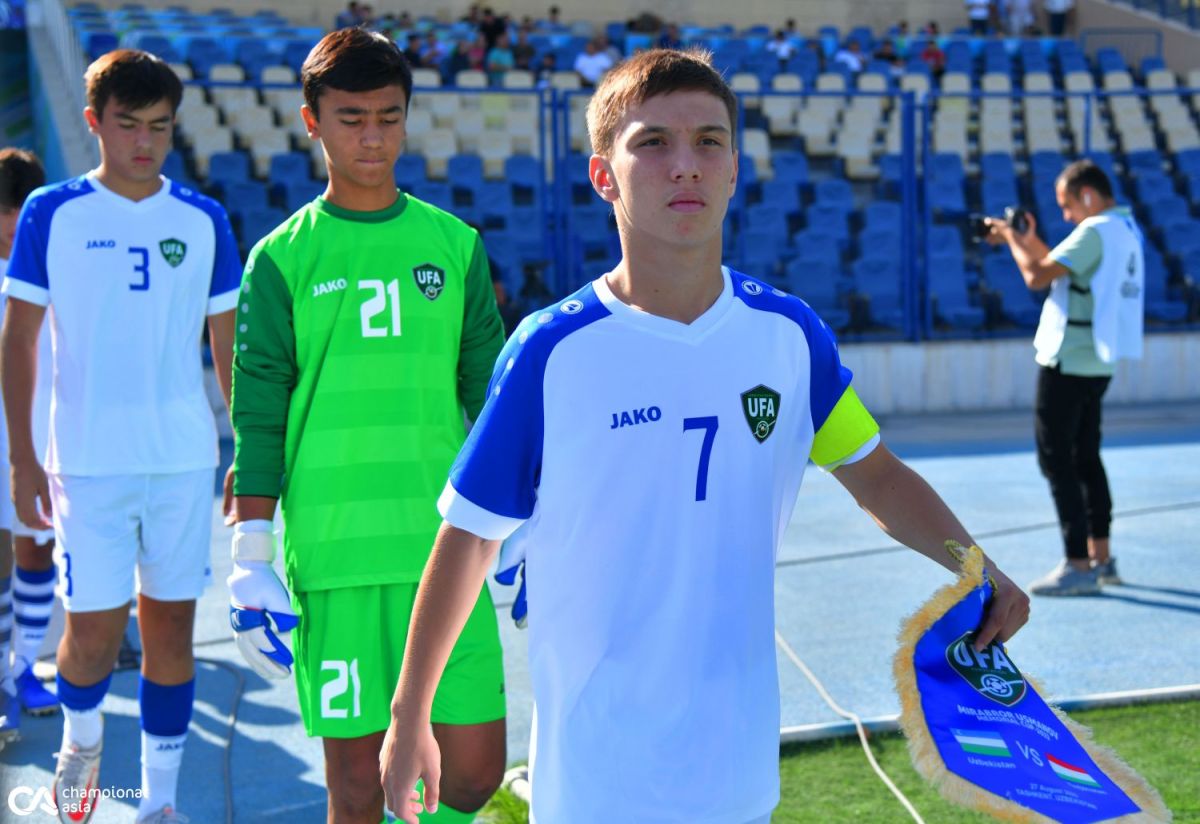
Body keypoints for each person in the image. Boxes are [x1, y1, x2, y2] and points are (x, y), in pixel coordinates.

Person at [379, 47, 1030, 824]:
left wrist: (977, 567)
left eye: (709, 142)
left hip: (736, 769)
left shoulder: (790, 335)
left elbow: (878, 475)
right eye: (653, 142)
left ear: (734, 171)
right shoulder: (551, 351)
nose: (685, 164)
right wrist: (409, 713)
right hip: (596, 778)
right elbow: (470, 537)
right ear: (603, 176)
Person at [227, 28, 507, 824]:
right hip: (336, 554)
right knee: (357, 787)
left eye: (389, 116)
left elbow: (495, 401)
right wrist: (250, 552)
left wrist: (526, 525)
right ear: (312, 121)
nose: (373, 137)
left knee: (472, 773)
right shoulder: (280, 260)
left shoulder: (454, 246)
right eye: (351, 118)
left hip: (446, 549)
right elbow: (258, 413)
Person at [1, 49, 240, 824]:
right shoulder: (52, 212)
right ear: (94, 122)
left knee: (171, 632)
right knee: (94, 638)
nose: (145, 142)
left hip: (181, 463)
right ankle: (81, 742)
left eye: (159, 127)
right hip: (86, 466)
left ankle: (159, 802)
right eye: (128, 125)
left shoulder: (203, 219)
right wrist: (23, 458)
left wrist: (249, 449)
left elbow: (228, 345)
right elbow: (19, 339)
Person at [985, 160, 1143, 596]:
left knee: (1057, 461)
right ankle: (1102, 557)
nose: (1067, 215)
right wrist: (1024, 238)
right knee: (1087, 458)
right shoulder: (1125, 229)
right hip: (1098, 360)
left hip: (1068, 360)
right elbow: (1059, 265)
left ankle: (1077, 564)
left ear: (1088, 196)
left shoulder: (1094, 231)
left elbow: (1037, 275)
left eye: (1068, 205)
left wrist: (1014, 240)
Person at [0, 148, 59, 745]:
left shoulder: (56, 269)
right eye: (4, 208)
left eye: (23, 206)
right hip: (5, 446)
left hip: (43, 444)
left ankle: (20, 670)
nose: (14, 220)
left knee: (37, 555)